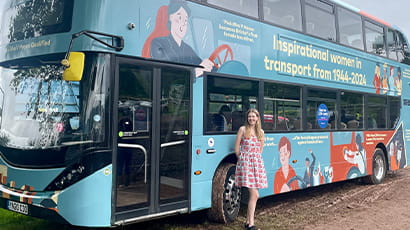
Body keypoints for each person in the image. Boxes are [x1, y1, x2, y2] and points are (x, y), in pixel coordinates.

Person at [150, 0, 213, 77]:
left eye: (185, 20)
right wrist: (195, 72)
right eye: (179, 18)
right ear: (170, 19)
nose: (183, 23)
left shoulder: (187, 49)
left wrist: (212, 66)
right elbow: (167, 74)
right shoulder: (158, 43)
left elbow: (200, 64)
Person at [234, 109, 267, 230]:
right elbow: (237, 148)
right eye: (249, 116)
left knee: (253, 195)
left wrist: (255, 160)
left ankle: (248, 222)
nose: (251, 118)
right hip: (246, 164)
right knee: (255, 194)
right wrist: (243, 160)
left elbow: (260, 150)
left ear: (258, 118)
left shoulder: (261, 132)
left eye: (253, 116)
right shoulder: (243, 129)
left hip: (257, 164)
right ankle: (251, 224)